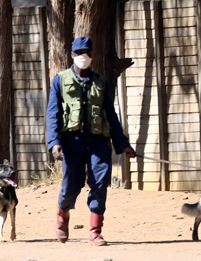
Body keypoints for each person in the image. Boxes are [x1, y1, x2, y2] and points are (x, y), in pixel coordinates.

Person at [46, 36, 136, 246]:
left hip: (97, 142)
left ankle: (95, 231)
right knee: (71, 186)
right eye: (79, 53)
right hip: (71, 141)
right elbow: (53, 114)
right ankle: (63, 213)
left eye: (87, 53)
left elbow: (111, 115)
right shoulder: (60, 80)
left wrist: (122, 143)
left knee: (100, 182)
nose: (83, 57)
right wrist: (54, 143)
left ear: (92, 56)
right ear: (72, 55)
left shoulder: (101, 81)